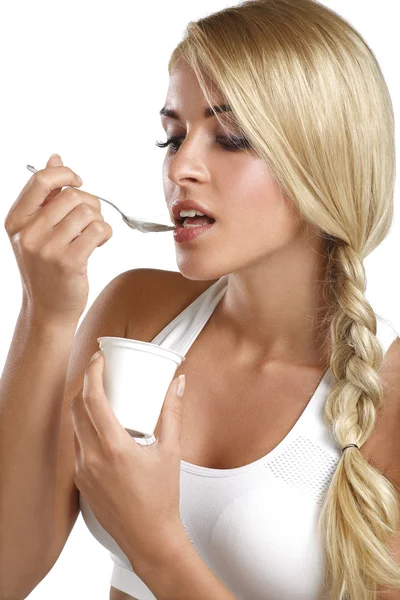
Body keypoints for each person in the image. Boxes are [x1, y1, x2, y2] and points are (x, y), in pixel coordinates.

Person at [1, 1, 400, 599]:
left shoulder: (388, 397)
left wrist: (154, 543)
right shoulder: (138, 312)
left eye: (231, 138)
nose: (180, 167)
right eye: (173, 136)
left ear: (322, 162)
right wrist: (47, 312)